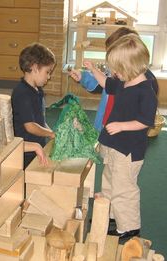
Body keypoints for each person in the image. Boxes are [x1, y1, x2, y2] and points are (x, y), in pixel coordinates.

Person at [81, 34, 157, 243]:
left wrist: (122, 126)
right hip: (114, 146)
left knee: (124, 189)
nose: (114, 73)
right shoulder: (124, 82)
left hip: (129, 149)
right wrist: (93, 70)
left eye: (117, 69)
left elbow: (146, 121)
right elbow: (107, 84)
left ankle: (130, 227)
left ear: (130, 67)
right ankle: (113, 216)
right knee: (109, 182)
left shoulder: (146, 90)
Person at [69, 27, 158, 131]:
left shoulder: (147, 83)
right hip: (106, 122)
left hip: (126, 131)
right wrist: (83, 76)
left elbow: (145, 116)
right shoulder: (118, 72)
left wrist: (123, 126)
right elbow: (102, 83)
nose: (114, 71)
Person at [11, 43, 56, 169]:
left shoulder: (37, 89)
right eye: (47, 72)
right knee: (25, 178)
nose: (49, 77)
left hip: (37, 144)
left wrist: (50, 132)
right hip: (26, 149)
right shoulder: (22, 93)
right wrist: (50, 133)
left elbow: (40, 119)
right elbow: (30, 126)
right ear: (35, 68)